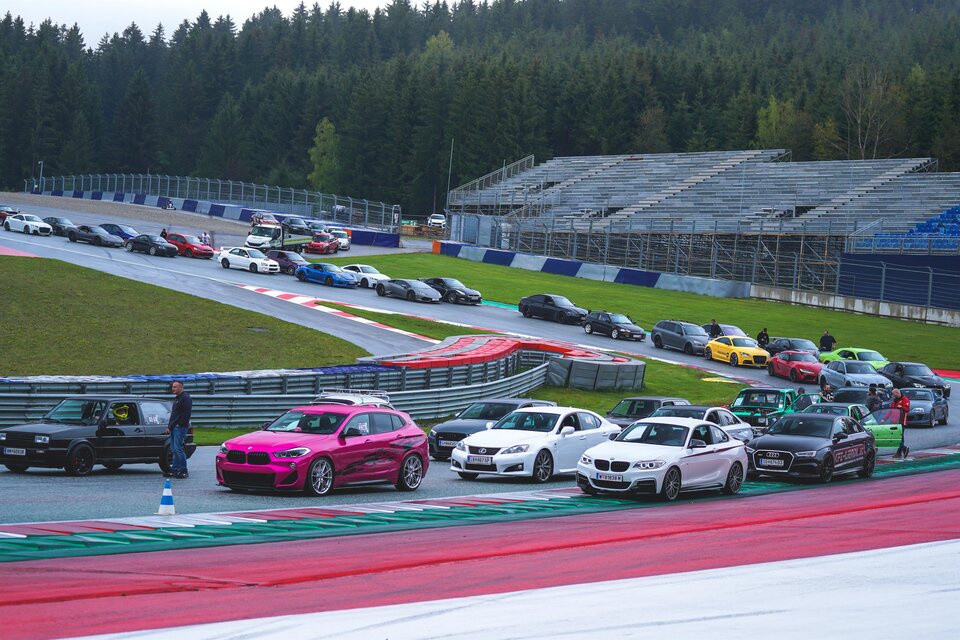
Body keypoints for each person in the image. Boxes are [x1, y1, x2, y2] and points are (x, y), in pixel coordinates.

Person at [165, 380, 192, 478]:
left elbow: (186, 414)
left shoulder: (185, 398)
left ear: (181, 387)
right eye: (173, 387)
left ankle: (183, 470)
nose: (173, 389)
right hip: (174, 427)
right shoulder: (177, 399)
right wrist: (169, 426)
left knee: (178, 448)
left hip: (180, 427)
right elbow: (174, 414)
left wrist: (180, 425)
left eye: (175, 387)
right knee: (173, 449)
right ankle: (175, 469)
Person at [891, 388, 911, 458]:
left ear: (897, 393)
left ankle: (902, 449)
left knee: (899, 437)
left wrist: (901, 407)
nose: (893, 396)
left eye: (893, 394)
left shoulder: (905, 400)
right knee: (898, 437)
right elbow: (890, 410)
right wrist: (884, 419)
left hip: (902, 421)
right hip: (895, 421)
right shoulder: (894, 401)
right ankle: (900, 451)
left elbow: (907, 409)